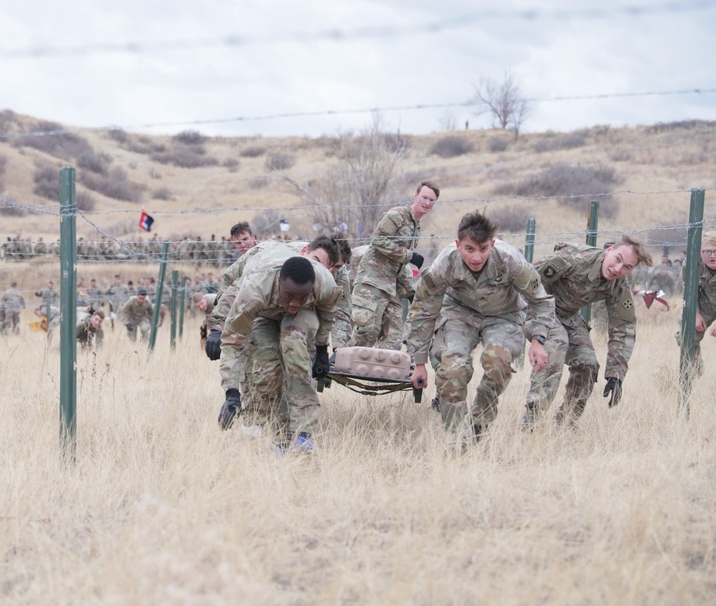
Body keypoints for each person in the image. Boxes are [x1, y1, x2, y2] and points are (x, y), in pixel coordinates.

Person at [406, 210, 554, 442]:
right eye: (469, 249)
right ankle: (457, 440)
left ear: (492, 244)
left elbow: (541, 301)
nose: (477, 257)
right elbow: (423, 310)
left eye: (483, 249)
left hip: (503, 315)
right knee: (452, 370)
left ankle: (479, 422)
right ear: (458, 245)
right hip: (459, 313)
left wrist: (538, 340)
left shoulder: (510, 260)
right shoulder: (445, 263)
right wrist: (419, 362)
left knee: (498, 362)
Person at [523, 236, 653, 426]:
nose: (618, 269)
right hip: (538, 309)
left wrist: (615, 374)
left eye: (627, 267)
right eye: (617, 259)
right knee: (558, 343)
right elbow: (527, 279)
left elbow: (623, 327)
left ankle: (566, 423)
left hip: (568, 316)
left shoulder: (619, 284)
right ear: (609, 251)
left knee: (588, 364)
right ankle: (533, 419)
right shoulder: (573, 259)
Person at [218, 255, 340, 452]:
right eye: (289, 295)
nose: (294, 302)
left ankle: (303, 434)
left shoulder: (324, 284)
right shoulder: (254, 291)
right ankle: (281, 437)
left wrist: (321, 348)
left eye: (302, 296)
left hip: (304, 315)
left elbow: (327, 313)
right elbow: (232, 341)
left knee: (297, 359)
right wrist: (232, 393)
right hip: (264, 314)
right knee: (267, 372)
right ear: (279, 283)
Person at [349, 180, 439, 348]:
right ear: (416, 196)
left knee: (393, 340)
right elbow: (377, 239)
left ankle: (382, 372)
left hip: (392, 288)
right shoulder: (398, 214)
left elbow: (400, 264)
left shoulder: (415, 226)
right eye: (424, 197)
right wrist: (409, 256)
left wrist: (409, 290)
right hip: (372, 281)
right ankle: (338, 360)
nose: (427, 203)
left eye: (431, 200)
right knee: (366, 331)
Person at [684, 230, 716, 375]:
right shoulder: (691, 263)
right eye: (708, 251)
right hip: (706, 300)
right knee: (686, 331)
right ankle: (695, 373)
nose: (713, 256)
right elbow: (688, 290)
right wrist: (695, 313)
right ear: (700, 251)